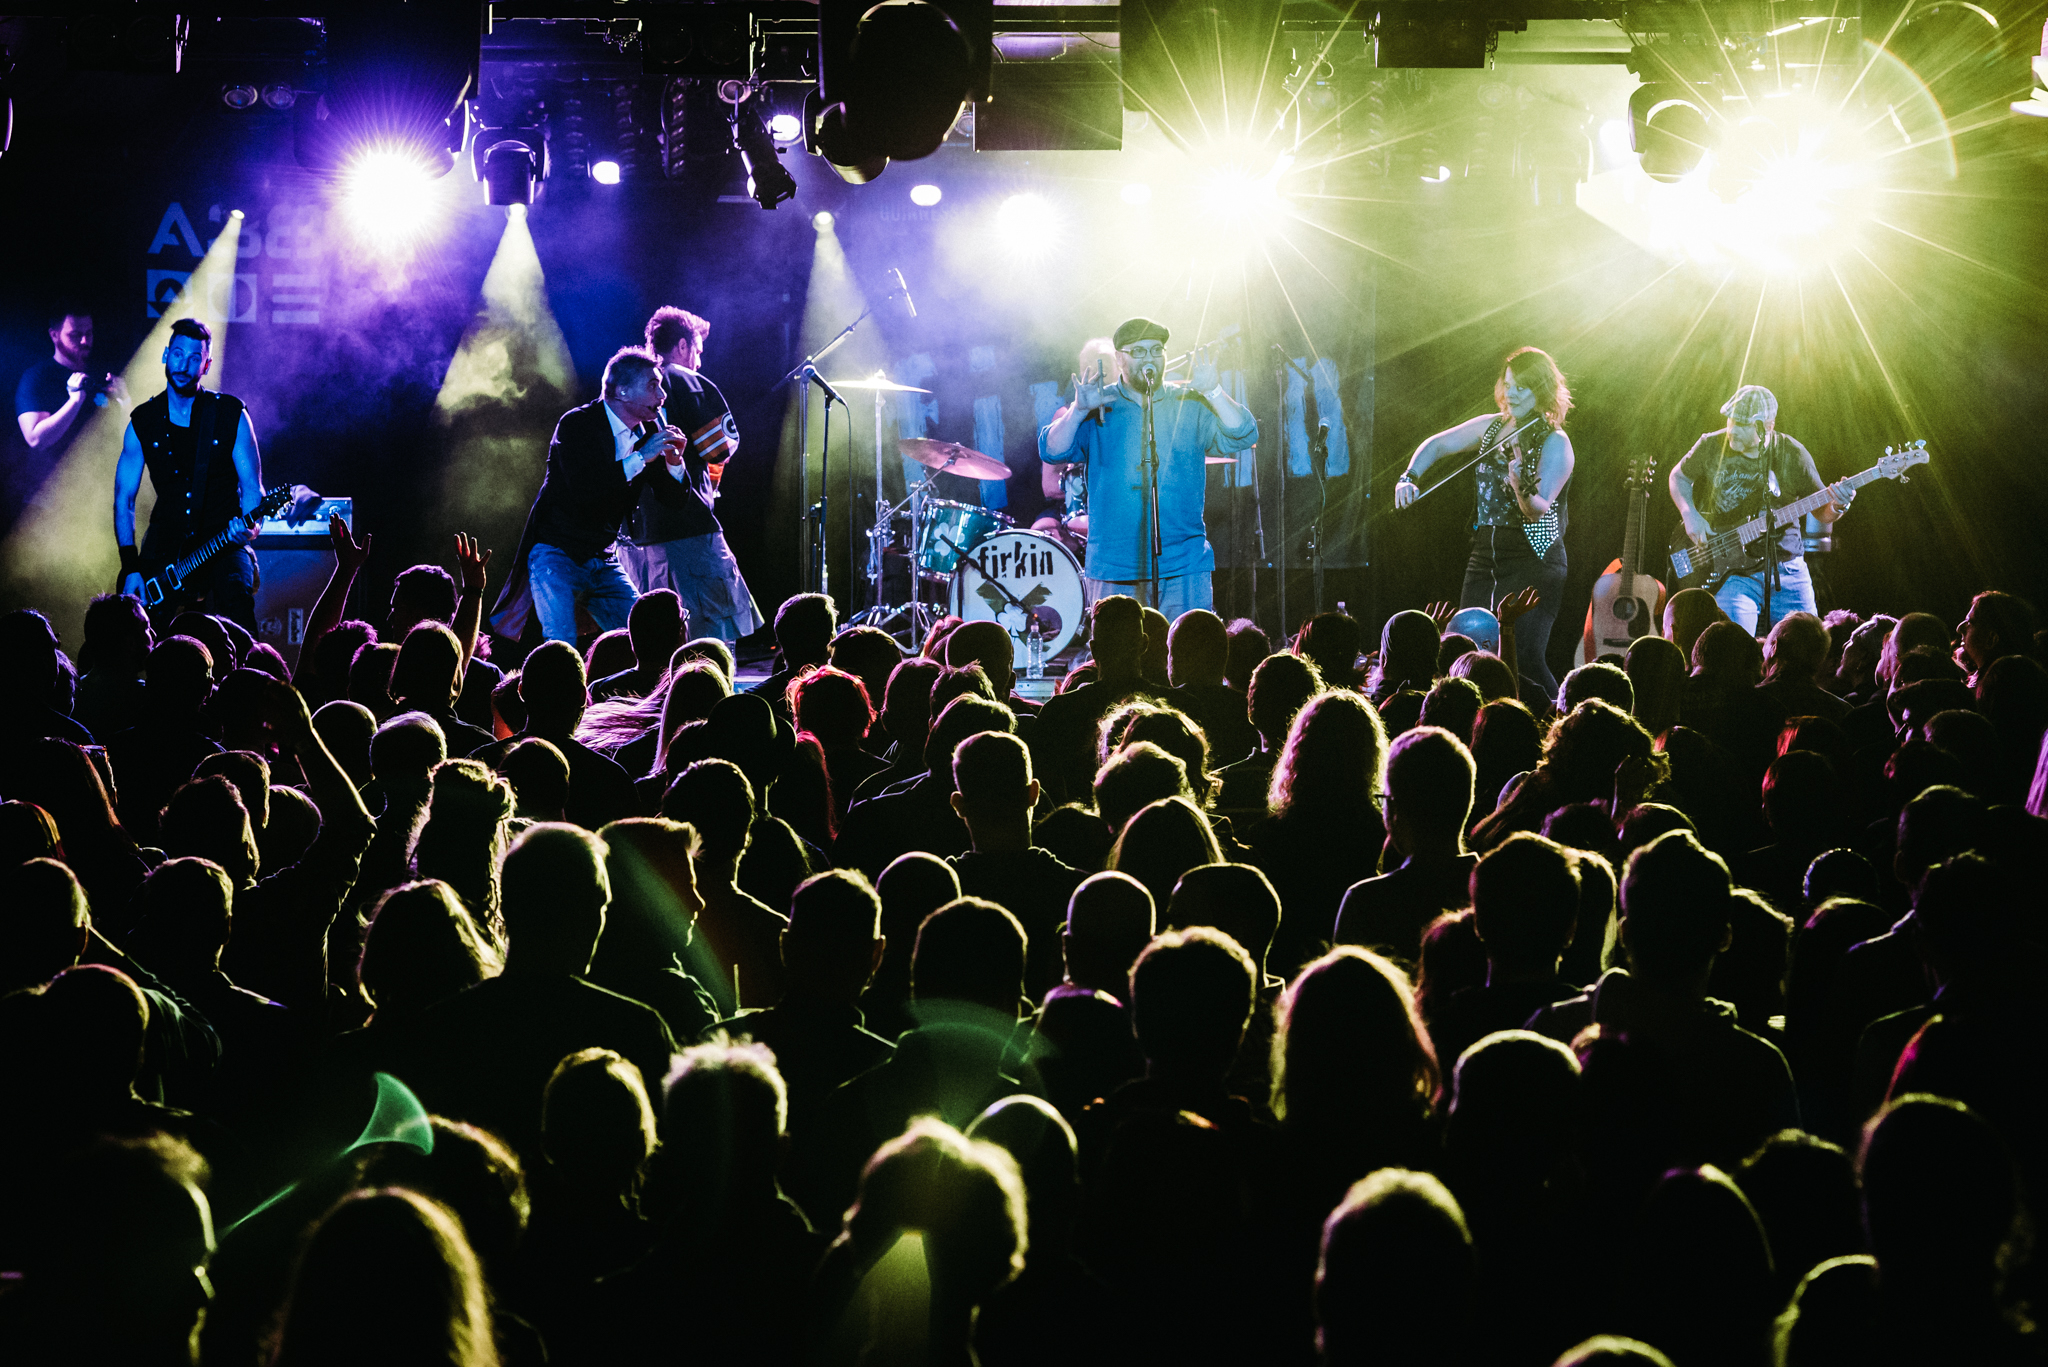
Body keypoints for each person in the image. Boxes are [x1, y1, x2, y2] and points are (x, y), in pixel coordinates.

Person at [1038, 318, 1258, 615]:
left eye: (1156, 350)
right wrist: (1078, 410)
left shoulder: (1188, 402)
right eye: (1138, 351)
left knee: (1186, 645)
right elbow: (1052, 451)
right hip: (1114, 567)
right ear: (1120, 359)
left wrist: (1214, 391)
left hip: (1183, 564)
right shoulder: (1098, 404)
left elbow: (1244, 433)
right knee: (1119, 646)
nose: (1149, 358)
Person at [1394, 347, 1577, 698]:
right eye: (1508, 385)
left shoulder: (1555, 441)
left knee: (1524, 657)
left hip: (1533, 557)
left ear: (1541, 389)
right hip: (1486, 554)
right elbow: (1437, 445)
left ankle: (1556, 715)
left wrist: (1519, 485)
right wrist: (1409, 476)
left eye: (1522, 387)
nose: (1512, 394)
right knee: (1466, 649)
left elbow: (1536, 510)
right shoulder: (1492, 426)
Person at [112, 318, 315, 630]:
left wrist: (250, 528)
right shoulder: (143, 422)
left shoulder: (231, 415)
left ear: (206, 365)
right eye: (178, 354)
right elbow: (124, 499)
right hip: (165, 544)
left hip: (223, 541)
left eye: (195, 358)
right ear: (165, 355)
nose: (184, 365)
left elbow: (252, 488)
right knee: (139, 630)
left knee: (238, 608)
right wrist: (130, 566)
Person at [488, 345, 698, 645]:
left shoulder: (647, 433)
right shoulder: (577, 425)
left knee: (646, 639)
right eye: (653, 385)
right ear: (623, 391)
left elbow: (674, 500)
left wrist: (675, 463)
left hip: (603, 556)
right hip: (557, 551)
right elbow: (586, 490)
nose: (662, 395)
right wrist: (641, 457)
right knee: (561, 642)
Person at [613, 306, 765, 644]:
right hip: (687, 531)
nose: (698, 362)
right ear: (682, 346)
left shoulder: (623, 384)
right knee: (710, 639)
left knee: (652, 642)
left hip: (633, 537)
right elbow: (720, 448)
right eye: (697, 351)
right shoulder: (685, 380)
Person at [1668, 384, 1854, 634]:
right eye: (1731, 420)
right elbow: (1678, 477)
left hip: (1787, 568)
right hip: (1732, 572)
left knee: (1808, 641)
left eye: (1742, 424)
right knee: (1732, 643)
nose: (1732, 429)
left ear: (1768, 426)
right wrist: (1690, 514)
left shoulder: (1792, 454)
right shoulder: (1712, 444)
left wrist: (1838, 505)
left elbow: (1822, 511)